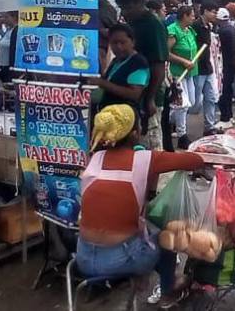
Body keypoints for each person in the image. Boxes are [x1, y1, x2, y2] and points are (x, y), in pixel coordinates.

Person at [76, 104, 204, 309]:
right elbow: (195, 160)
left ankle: (128, 278)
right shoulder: (144, 159)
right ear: (135, 133)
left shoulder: (93, 159)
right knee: (166, 236)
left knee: (141, 229)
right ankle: (168, 291)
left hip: (82, 257)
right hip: (121, 259)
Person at [115, 0, 169, 150]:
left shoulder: (153, 25)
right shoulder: (132, 24)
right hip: (132, 96)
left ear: (139, 3)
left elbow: (159, 66)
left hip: (148, 97)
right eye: (122, 8)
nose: (124, 12)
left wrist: (150, 99)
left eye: (128, 8)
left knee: (150, 146)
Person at [92, 24, 151, 117]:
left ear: (132, 42)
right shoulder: (116, 61)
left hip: (125, 118)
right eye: (114, 43)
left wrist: (102, 83)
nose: (119, 47)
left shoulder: (138, 63)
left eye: (123, 42)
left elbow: (134, 94)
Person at [166, 5, 199, 149]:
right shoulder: (173, 30)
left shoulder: (190, 30)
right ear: (184, 16)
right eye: (191, 15)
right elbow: (166, 53)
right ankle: (182, 135)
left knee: (191, 102)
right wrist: (183, 61)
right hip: (177, 73)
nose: (193, 18)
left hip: (190, 73)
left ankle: (167, 119)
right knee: (182, 105)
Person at [190, 3, 221, 135]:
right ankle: (175, 122)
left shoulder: (209, 26)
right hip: (198, 68)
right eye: (213, 12)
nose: (215, 15)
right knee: (194, 102)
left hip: (208, 68)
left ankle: (209, 127)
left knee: (210, 98)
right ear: (205, 11)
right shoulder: (196, 26)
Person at [215, 7, 235, 126]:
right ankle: (229, 116)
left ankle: (225, 118)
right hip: (232, 64)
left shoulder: (222, 32)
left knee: (224, 92)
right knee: (228, 90)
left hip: (225, 65)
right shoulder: (233, 30)